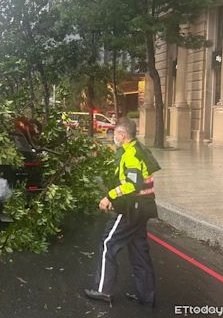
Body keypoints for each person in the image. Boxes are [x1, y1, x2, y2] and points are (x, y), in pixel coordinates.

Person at [84, 117, 159, 307]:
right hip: (143, 207)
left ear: (123, 135)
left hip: (132, 208)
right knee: (139, 251)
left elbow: (132, 185)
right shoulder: (137, 149)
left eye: (116, 133)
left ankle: (103, 290)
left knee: (108, 244)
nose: (114, 137)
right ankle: (146, 295)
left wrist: (110, 197)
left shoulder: (131, 154)